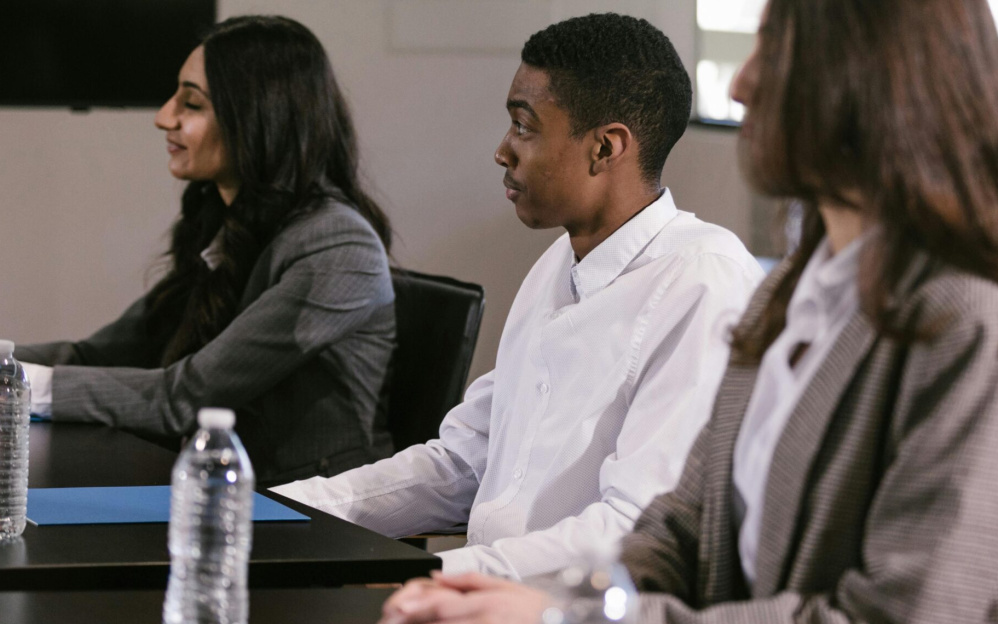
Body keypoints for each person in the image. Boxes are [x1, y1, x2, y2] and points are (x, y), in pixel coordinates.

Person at [375, 0, 998, 622]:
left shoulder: (971, 323)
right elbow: (683, 529)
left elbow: (891, 616)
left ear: (867, 86)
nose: (741, 86)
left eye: (773, 53)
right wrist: (543, 600)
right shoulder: (793, 292)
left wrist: (563, 618)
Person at [272, 13, 763, 580]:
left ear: (604, 147)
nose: (503, 151)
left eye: (524, 127)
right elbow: (465, 461)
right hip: (483, 593)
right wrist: (281, 512)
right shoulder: (558, 263)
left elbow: (635, 527)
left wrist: (439, 577)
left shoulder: (702, 283)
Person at [15, 16, 396, 487]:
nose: (164, 117)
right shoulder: (229, 220)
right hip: (227, 499)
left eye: (191, 103)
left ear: (259, 116)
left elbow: (186, 395)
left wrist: (17, 387)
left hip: (311, 524)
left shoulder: (340, 247)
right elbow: (95, 353)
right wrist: (5, 362)